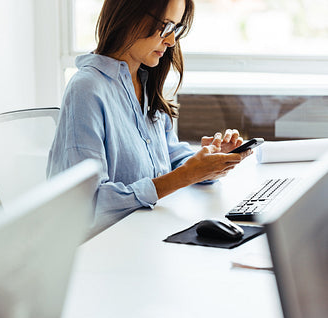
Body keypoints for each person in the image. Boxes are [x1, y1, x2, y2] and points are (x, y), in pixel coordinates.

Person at [47, 0, 253, 234]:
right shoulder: (87, 90)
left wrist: (207, 161)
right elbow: (88, 206)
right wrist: (185, 176)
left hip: (144, 234)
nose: (171, 40)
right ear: (130, 15)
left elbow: (167, 157)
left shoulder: (145, 82)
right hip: (103, 250)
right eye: (165, 27)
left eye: (175, 28)